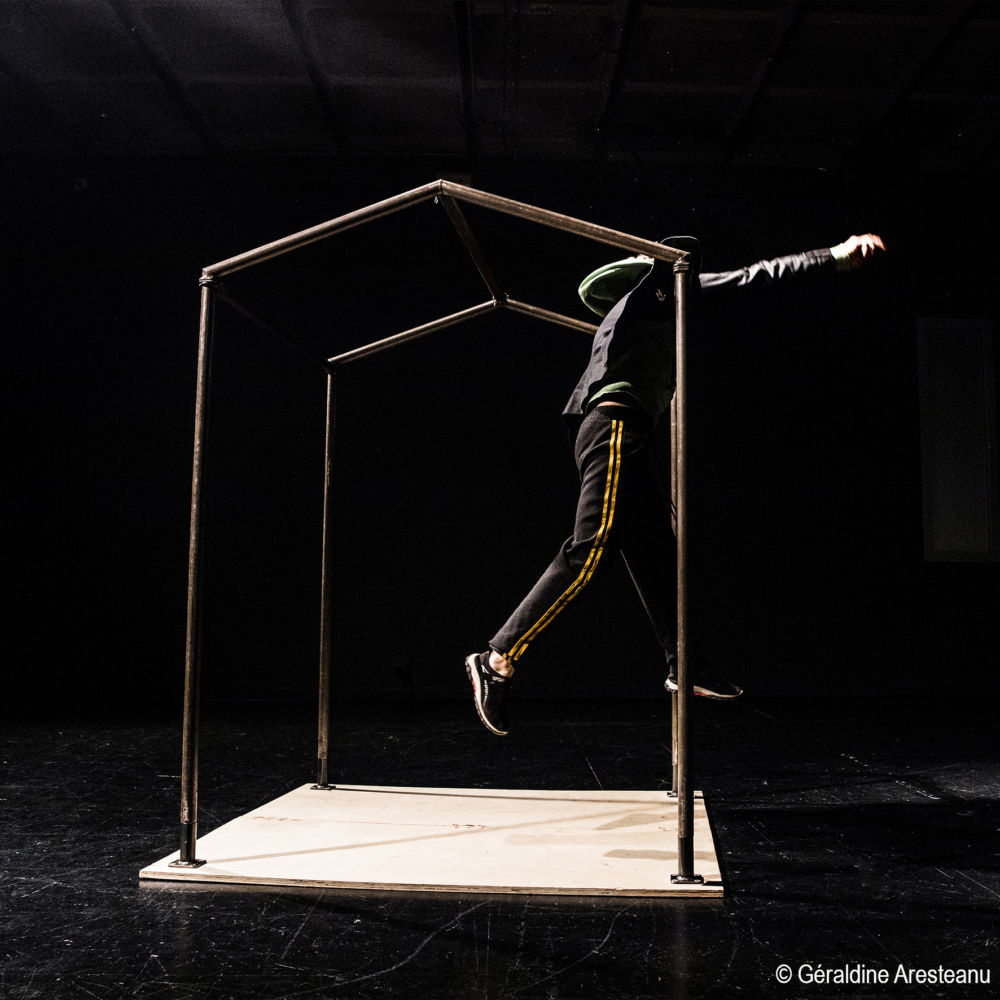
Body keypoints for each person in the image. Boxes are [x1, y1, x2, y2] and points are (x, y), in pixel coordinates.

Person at [466, 232, 886, 735]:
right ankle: (497, 658)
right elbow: (751, 276)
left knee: (657, 559)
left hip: (625, 433)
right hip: (615, 427)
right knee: (592, 549)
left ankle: (686, 665)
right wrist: (832, 257)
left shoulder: (639, 318)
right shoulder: (654, 292)